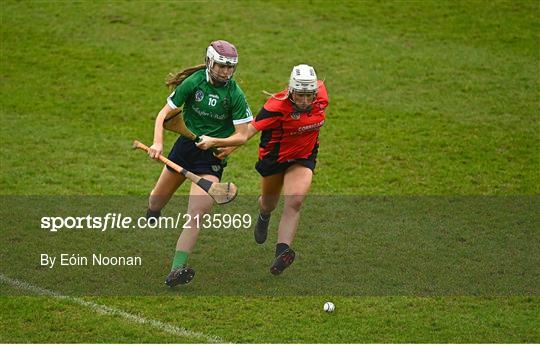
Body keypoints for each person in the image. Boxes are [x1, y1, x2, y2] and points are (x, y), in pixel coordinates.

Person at [196, 64, 328, 275]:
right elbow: (251, 128)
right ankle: (264, 216)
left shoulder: (321, 95)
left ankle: (281, 253)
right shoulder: (276, 106)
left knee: (295, 199)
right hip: (274, 159)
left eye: (309, 96)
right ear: (291, 90)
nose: (305, 101)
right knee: (269, 203)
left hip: (303, 157)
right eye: (300, 95)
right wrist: (229, 146)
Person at [146, 40, 253, 287]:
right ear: (209, 62)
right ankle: (153, 210)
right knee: (155, 201)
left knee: (196, 214)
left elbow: (242, 135)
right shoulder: (194, 83)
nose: (226, 72)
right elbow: (164, 115)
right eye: (221, 66)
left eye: (230, 67)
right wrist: (158, 143)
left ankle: (176, 269)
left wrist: (214, 141)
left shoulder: (234, 94)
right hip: (184, 148)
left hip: (210, 158)